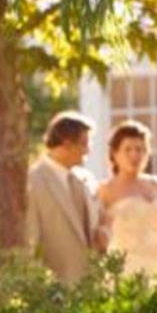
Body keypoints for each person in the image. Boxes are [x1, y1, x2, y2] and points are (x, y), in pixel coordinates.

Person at [26, 111, 105, 285]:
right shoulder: (32, 181)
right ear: (67, 144)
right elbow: (31, 241)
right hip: (55, 290)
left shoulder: (86, 179)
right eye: (84, 144)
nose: (88, 150)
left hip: (91, 287)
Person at [96, 120, 157, 275]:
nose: (134, 155)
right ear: (115, 153)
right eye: (128, 149)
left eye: (140, 149)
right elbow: (98, 235)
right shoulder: (105, 189)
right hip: (127, 269)